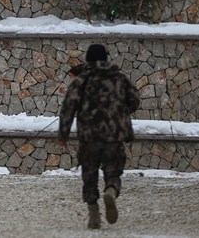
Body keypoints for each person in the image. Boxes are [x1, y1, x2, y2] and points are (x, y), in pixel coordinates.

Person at [58, 43, 140, 229]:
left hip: (89, 136)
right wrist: (121, 111)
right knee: (113, 169)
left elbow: (68, 108)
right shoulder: (119, 78)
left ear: (87, 59)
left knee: (89, 173)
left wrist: (63, 133)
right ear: (105, 58)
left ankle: (93, 212)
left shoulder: (82, 80)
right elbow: (134, 100)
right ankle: (111, 190)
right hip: (114, 135)